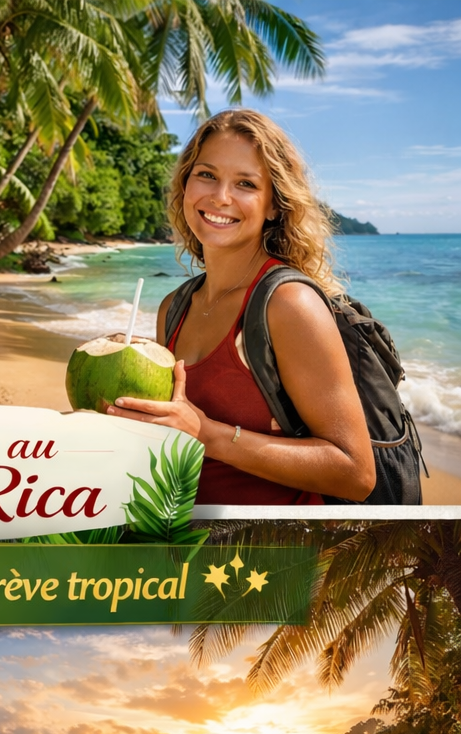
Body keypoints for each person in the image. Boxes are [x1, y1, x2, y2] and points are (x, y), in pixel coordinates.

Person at [107, 109, 376, 505]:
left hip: (271, 555)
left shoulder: (288, 304)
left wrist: (209, 435)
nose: (220, 197)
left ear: (273, 205)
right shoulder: (175, 307)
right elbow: (174, 437)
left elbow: (355, 473)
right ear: (185, 184)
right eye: (207, 175)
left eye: (246, 183)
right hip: (186, 545)